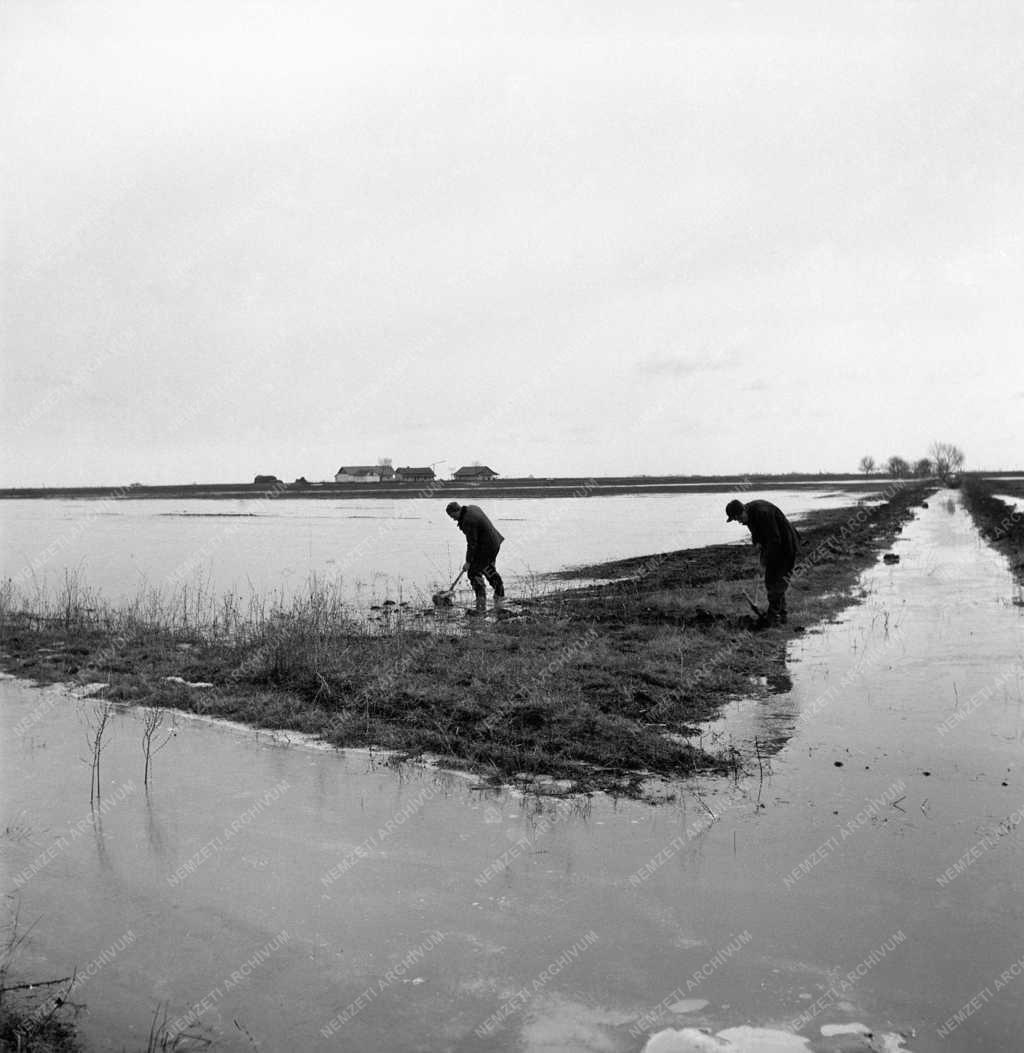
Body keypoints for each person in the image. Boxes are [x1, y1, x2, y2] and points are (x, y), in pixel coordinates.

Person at [726, 498, 800, 626]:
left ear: (742, 511)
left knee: (778, 582)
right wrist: (757, 544)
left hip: (786, 546)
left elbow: (774, 539)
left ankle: (772, 618)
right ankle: (782, 616)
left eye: (738, 518)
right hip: (774, 547)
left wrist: (763, 563)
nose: (739, 522)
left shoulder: (763, 513)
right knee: (770, 582)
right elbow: (757, 535)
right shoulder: (749, 516)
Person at [445, 501, 505, 613]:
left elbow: (472, 543)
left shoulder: (468, 521)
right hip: (493, 541)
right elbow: (476, 540)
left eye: (453, 516)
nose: (453, 519)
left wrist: (468, 562)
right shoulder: (472, 508)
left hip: (488, 546)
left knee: (473, 572)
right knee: (488, 569)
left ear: (457, 511)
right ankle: (499, 595)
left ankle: (481, 600)